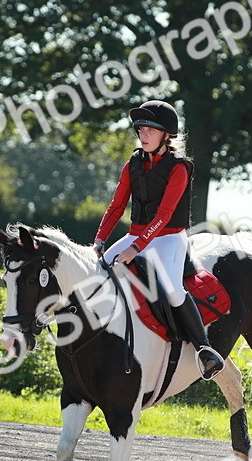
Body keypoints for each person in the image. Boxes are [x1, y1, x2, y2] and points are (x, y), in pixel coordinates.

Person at [94, 100, 225, 380]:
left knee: (172, 288)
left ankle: (204, 349)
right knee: (97, 272)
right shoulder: (133, 164)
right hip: (136, 234)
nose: (143, 134)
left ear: (166, 135)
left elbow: (164, 215)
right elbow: (116, 207)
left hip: (168, 238)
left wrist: (136, 248)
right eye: (140, 129)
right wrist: (99, 241)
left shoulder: (180, 167)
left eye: (150, 130)